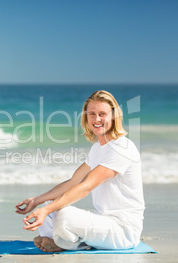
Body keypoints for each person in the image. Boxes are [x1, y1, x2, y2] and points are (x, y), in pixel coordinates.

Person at [15, 90, 145, 252]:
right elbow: (74, 182)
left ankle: (67, 243)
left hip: (123, 230)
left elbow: (87, 186)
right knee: (51, 204)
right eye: (92, 114)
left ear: (114, 117)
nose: (96, 119)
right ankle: (55, 240)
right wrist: (37, 201)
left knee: (62, 215)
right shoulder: (97, 148)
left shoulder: (122, 148)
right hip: (103, 220)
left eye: (102, 114)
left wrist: (47, 210)